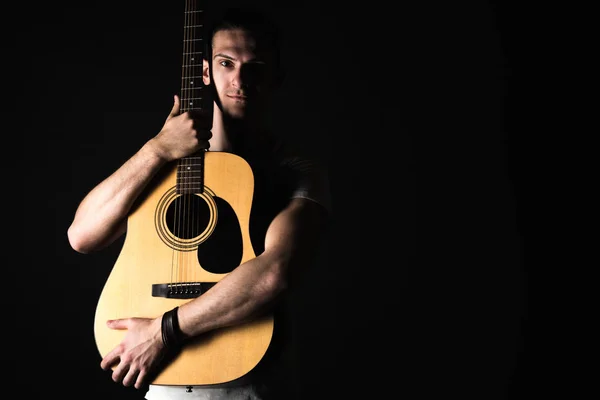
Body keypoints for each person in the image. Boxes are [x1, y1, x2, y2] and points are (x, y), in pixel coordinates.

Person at [67, 6, 331, 400]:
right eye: (227, 63)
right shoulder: (162, 165)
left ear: (276, 77)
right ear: (205, 72)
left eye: (255, 66)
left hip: (252, 383)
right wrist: (156, 150)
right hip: (164, 383)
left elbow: (275, 273)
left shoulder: (294, 171)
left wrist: (162, 331)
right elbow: (82, 236)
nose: (240, 80)